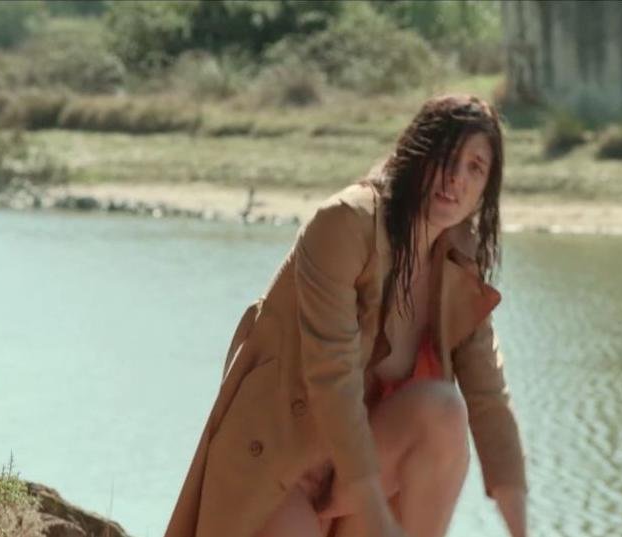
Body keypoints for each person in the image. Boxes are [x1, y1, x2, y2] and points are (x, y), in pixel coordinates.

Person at [163, 94, 528, 537]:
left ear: (486, 187)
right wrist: (374, 513)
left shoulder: (457, 264)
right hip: (282, 468)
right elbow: (331, 375)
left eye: (475, 168)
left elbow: (490, 401)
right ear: (416, 153)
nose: (456, 178)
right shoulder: (346, 222)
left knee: (443, 413)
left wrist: (521, 529)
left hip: (355, 483)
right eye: (446, 158)